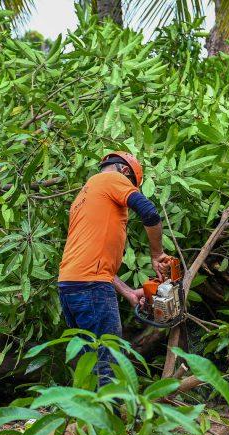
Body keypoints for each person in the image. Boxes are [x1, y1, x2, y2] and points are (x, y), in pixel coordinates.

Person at [58, 151, 170, 383]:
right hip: (91, 287)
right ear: (125, 171)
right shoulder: (113, 179)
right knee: (109, 360)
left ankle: (88, 416)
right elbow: (149, 213)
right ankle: (110, 417)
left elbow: (91, 261)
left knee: (90, 361)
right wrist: (157, 254)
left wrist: (128, 292)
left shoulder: (83, 197)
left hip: (70, 285)